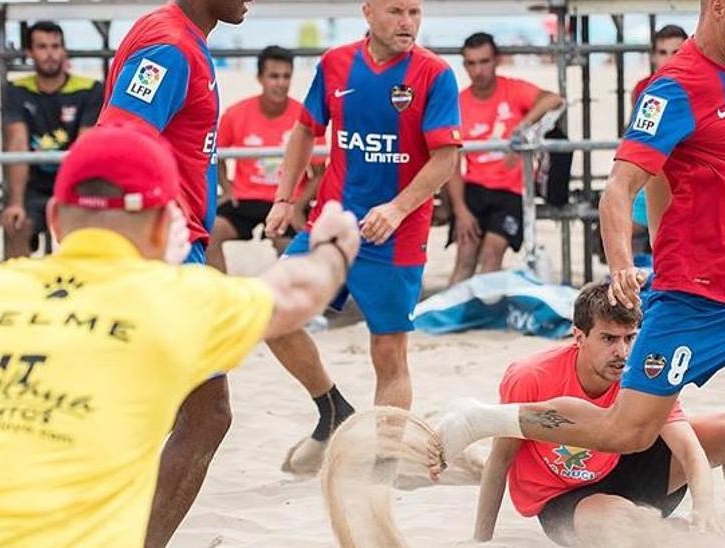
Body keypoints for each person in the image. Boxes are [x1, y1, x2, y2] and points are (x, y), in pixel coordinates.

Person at [436, 0, 725, 541]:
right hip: (693, 302)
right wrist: (622, 264)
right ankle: (487, 419)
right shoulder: (674, 88)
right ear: (718, 7)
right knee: (625, 430)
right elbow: (618, 190)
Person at [0, 125, 361, 547]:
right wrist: (334, 245)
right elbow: (295, 294)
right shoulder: (176, 297)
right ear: (164, 225)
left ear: (54, 218)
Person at [261, 0, 462, 475]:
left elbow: (445, 160)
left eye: (415, 12)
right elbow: (305, 130)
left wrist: (396, 208)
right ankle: (332, 410)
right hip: (331, 224)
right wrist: (284, 198)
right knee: (271, 312)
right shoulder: (335, 63)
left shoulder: (435, 73)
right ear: (368, 12)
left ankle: (387, 463)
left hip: (397, 231)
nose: (407, 23)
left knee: (388, 350)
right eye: (396, 11)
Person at [96, 0, 252, 545]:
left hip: (169, 254)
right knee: (206, 416)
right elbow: (117, 139)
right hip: (159, 258)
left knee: (169, 413)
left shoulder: (178, 34)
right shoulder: (171, 46)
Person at [473, 282, 725, 545]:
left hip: (632, 469)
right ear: (579, 337)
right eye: (609, 339)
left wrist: (704, 505)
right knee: (619, 524)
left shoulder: (642, 371)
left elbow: (687, 446)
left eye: (630, 338)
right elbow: (500, 460)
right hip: (566, 496)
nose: (623, 352)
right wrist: (480, 540)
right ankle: (669, 531)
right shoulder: (530, 377)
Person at [448, 32, 564, 285]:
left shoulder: (512, 89)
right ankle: (454, 318)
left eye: (484, 61)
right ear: (464, 65)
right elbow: (451, 163)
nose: (478, 70)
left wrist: (522, 127)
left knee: (491, 254)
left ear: (496, 60)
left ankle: (478, 314)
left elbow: (554, 99)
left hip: (512, 191)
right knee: (465, 256)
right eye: (472, 63)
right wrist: (460, 210)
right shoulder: (458, 103)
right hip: (474, 188)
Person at [208, 45, 324, 273]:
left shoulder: (304, 115)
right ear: (260, 77)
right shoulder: (236, 114)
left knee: (297, 249)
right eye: (273, 76)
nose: (280, 83)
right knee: (207, 234)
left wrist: (299, 207)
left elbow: (319, 173)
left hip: (287, 201)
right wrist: (227, 188)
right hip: (245, 200)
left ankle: (294, 306)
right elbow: (214, 155)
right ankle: (222, 301)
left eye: (286, 76)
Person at [0, 21, 104, 258]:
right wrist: (15, 203)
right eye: (42, 47)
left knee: (86, 234)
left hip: (73, 182)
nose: (50, 54)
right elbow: (17, 143)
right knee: (16, 224)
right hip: (34, 185)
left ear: (64, 50)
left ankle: (82, 289)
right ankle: (18, 290)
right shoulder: (16, 90)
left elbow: (85, 146)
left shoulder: (89, 89)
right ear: (29, 53)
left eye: (56, 46)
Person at [629, 24, 686, 256]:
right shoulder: (643, 89)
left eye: (676, 52)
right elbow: (643, 138)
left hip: (689, 175)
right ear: (653, 56)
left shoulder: (702, 85)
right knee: (623, 228)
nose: (669, 59)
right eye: (663, 52)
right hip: (655, 173)